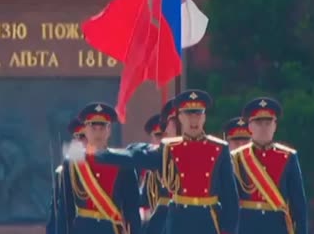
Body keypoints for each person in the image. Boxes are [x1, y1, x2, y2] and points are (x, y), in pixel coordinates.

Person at [89, 89, 240, 234]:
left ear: (204, 117)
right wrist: (102, 155)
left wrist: (228, 230)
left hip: (209, 220)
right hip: (179, 219)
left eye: (198, 114)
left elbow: (230, 198)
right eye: (188, 115)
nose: (193, 120)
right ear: (180, 118)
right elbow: (137, 157)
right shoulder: (169, 148)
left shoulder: (219, 148)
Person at [47, 103, 141, 234]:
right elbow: (65, 210)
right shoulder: (73, 162)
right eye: (93, 127)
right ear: (85, 129)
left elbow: (132, 211)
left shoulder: (123, 162)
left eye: (102, 128)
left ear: (109, 130)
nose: (98, 132)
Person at [231, 97, 307, 234]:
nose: (264, 127)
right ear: (249, 127)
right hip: (247, 226)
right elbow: (229, 201)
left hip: (277, 226)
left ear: (275, 126)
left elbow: (298, 204)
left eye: (268, 123)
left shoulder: (288, 157)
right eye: (259, 123)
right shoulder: (237, 157)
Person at [140, 98, 177, 234]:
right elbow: (144, 204)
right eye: (158, 135)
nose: (163, 139)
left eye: (165, 134)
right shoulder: (149, 170)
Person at [46, 117, 86, 234]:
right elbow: (56, 215)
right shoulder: (62, 172)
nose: (80, 141)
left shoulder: (105, 167)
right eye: (76, 137)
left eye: (83, 136)